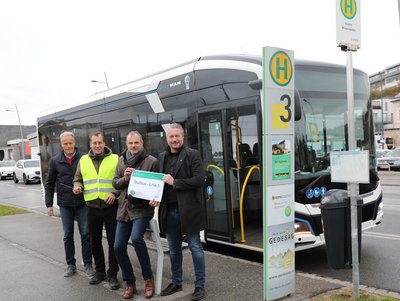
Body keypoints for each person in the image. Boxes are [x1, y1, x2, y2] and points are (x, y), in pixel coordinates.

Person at [149, 123, 206, 301]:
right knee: (174, 250)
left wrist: (176, 183)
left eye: (177, 136)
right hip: (170, 210)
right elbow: (159, 182)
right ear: (167, 139)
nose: (174, 140)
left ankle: (199, 285)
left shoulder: (193, 154)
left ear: (183, 137)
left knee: (195, 247)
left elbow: (199, 179)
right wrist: (156, 197)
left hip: (188, 210)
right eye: (171, 137)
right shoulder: (162, 157)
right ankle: (176, 282)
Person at [113, 131, 159, 299]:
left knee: (137, 238)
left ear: (142, 143)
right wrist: (124, 179)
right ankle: (130, 282)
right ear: (127, 144)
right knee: (118, 246)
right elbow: (115, 183)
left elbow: (157, 186)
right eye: (130, 143)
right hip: (124, 209)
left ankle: (148, 279)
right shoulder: (121, 161)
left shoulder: (151, 161)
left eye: (136, 143)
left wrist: (156, 199)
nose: (133, 146)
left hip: (142, 209)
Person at [73, 132, 120, 290]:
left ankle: (113, 274)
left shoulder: (115, 158)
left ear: (104, 143)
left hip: (111, 206)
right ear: (90, 144)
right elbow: (77, 178)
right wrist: (77, 186)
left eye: (100, 142)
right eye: (94, 143)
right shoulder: (84, 160)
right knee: (94, 241)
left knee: (113, 242)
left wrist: (115, 193)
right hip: (92, 206)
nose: (97, 146)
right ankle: (100, 272)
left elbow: (121, 180)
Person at [44, 131, 94, 278]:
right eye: (65, 143)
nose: (68, 146)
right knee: (67, 235)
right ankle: (70, 264)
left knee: (85, 233)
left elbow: (90, 178)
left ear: (74, 143)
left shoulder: (85, 158)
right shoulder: (55, 161)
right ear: (61, 144)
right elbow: (49, 183)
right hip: (65, 204)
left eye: (70, 143)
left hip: (82, 202)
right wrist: (49, 204)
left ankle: (88, 264)